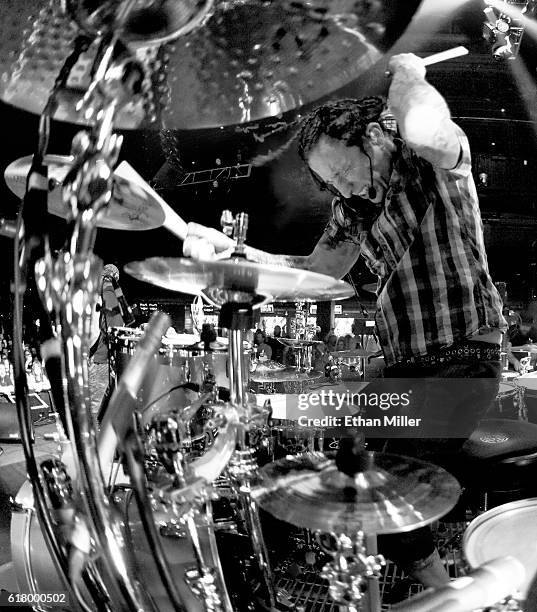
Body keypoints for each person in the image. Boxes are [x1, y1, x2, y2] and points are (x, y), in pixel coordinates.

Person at [183, 53, 507, 590]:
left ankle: (448, 597)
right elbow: (310, 273)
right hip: (406, 371)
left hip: (464, 359)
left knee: (392, 490)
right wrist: (232, 255)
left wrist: (408, 73)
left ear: (377, 135)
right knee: (346, 464)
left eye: (346, 170)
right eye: (331, 181)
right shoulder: (354, 211)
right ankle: (368, 594)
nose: (347, 188)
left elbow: (423, 125)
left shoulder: (431, 158)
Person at [89, 264, 134, 418]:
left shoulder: (101, 293)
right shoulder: (108, 292)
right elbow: (114, 324)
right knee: (96, 405)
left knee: (98, 404)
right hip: (101, 359)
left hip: (102, 358)